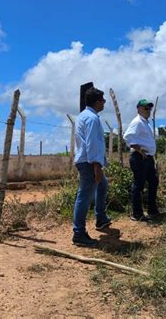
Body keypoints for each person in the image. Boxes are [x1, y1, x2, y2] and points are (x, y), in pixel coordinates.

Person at [72, 87, 112, 246]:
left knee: (102, 185)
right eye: (103, 100)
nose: (104, 103)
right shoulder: (92, 118)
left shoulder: (83, 116)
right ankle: (79, 233)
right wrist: (97, 166)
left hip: (85, 160)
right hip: (89, 162)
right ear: (97, 102)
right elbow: (92, 143)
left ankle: (100, 218)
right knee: (84, 196)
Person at [123, 99, 160, 222]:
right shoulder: (137, 122)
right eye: (145, 108)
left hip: (147, 158)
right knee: (138, 184)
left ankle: (152, 209)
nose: (148, 110)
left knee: (153, 182)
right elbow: (127, 136)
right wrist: (139, 150)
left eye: (149, 108)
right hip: (140, 157)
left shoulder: (145, 123)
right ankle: (137, 213)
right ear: (139, 109)